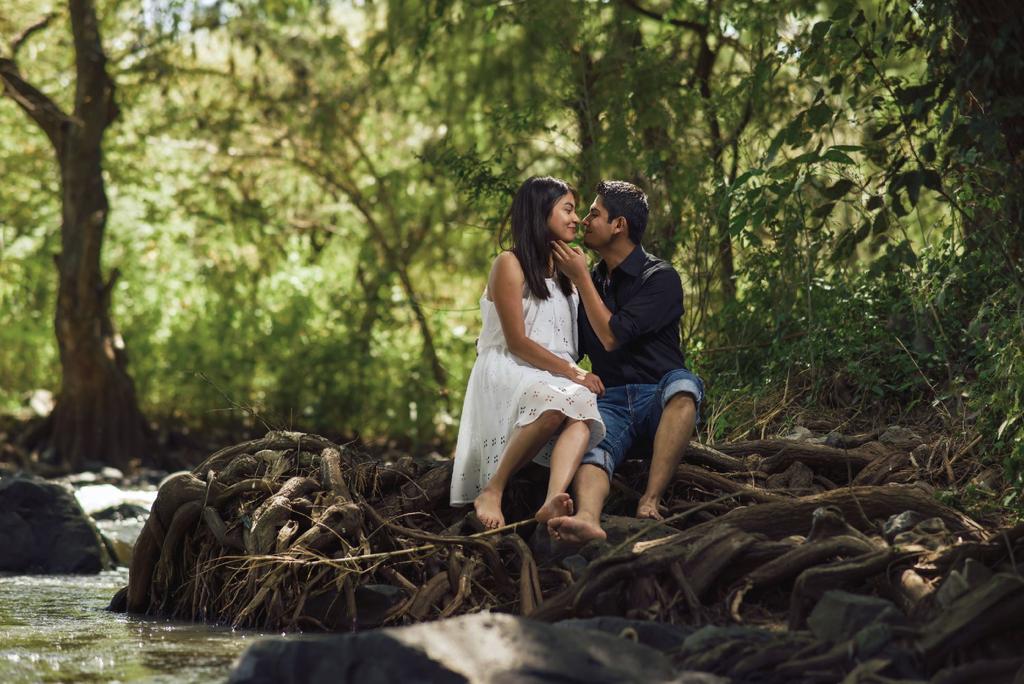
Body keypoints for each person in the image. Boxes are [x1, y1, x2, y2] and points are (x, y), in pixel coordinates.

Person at [547, 180, 704, 543]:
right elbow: (565, 345)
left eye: (594, 214)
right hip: (610, 400)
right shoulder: (587, 281)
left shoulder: (660, 278)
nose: (585, 220)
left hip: (657, 400)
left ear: (619, 225)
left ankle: (650, 499)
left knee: (685, 385)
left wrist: (582, 278)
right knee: (592, 442)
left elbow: (612, 335)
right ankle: (587, 517)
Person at [450, 176, 606, 530]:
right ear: (540, 212)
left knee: (582, 409)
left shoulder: (567, 271)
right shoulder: (509, 262)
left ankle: (553, 499)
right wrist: (574, 372)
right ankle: (493, 489)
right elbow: (517, 342)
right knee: (554, 402)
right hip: (509, 364)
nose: (576, 218)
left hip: (550, 373)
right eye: (567, 209)